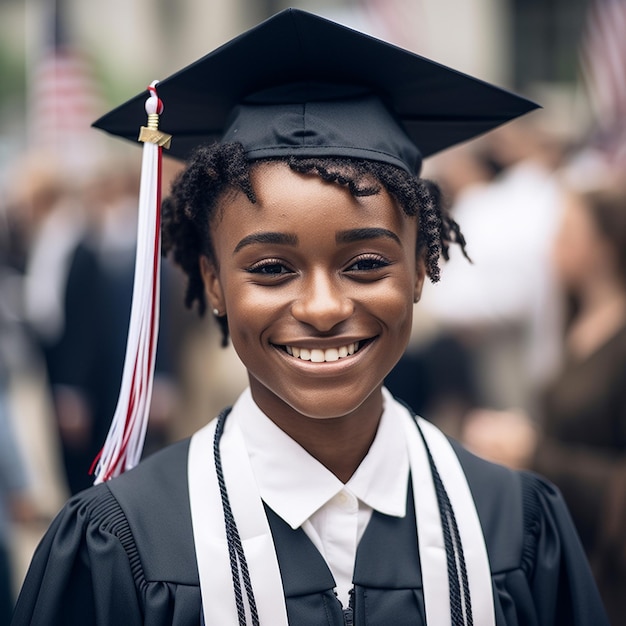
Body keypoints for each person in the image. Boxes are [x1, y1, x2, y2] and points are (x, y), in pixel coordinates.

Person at [11, 9, 609, 625]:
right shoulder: (124, 542)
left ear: (420, 268)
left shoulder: (516, 526)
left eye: (367, 263)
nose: (323, 308)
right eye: (271, 269)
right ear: (213, 282)